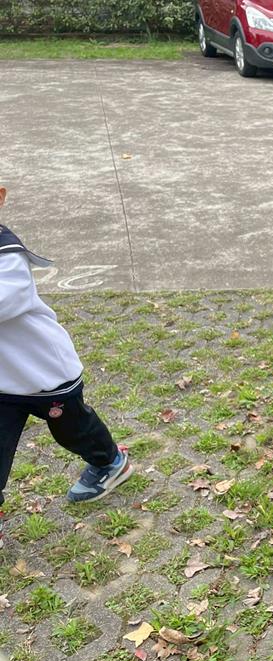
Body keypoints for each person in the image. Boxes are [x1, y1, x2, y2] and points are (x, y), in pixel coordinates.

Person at [0, 185, 132, 548]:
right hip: (2, 383)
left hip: (44, 374)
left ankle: (109, 462)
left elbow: (8, 300)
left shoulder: (7, 253)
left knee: (73, 430)